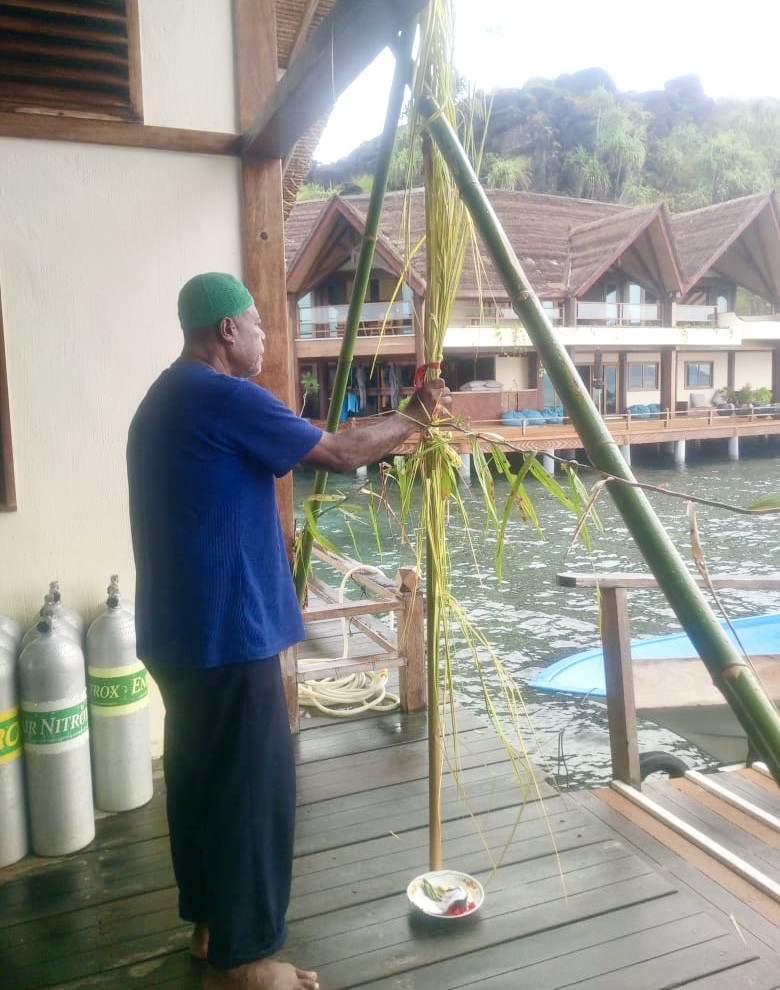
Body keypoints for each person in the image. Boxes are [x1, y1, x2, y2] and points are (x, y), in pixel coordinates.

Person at [126, 272, 450, 990]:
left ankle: (213, 929)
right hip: (225, 633)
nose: (267, 335)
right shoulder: (222, 395)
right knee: (251, 792)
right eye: (256, 323)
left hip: (180, 635)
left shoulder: (163, 398)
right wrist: (416, 418)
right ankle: (245, 965)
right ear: (226, 334)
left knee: (201, 780)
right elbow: (339, 452)